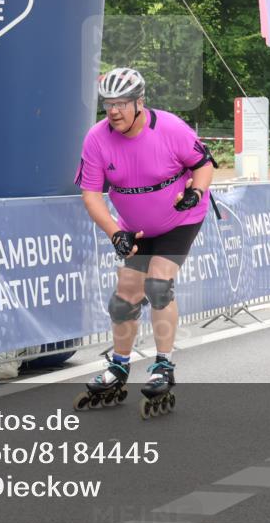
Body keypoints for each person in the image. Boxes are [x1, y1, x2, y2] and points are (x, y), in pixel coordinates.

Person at [73, 67, 215, 418]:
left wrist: (195, 193)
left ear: (139, 103)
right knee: (124, 300)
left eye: (121, 103)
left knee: (157, 284)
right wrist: (115, 233)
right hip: (134, 227)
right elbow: (90, 195)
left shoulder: (170, 128)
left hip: (178, 220)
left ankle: (163, 365)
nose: (114, 112)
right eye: (108, 104)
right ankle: (120, 366)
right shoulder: (96, 138)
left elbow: (205, 164)